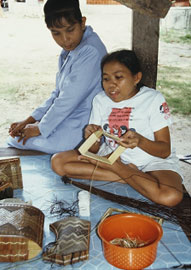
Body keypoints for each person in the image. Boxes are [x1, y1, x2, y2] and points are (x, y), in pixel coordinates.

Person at [51, 49, 183, 207]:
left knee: (171, 196)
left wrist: (140, 141)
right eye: (105, 79)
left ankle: (119, 170)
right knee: (58, 162)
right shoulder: (100, 100)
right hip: (110, 155)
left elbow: (164, 150)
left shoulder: (153, 99)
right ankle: (128, 176)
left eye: (118, 77)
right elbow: (93, 150)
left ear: (136, 77)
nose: (111, 84)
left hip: (151, 161)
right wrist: (91, 139)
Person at [7, 0, 107, 154]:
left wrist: (40, 128)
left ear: (83, 22)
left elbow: (68, 99)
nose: (65, 39)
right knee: (20, 135)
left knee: (17, 140)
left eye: (70, 30)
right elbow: (58, 93)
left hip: (83, 126)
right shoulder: (72, 48)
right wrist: (31, 119)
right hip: (67, 118)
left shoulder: (90, 51)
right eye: (56, 33)